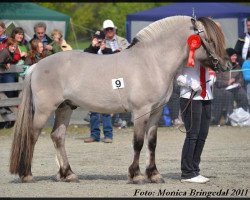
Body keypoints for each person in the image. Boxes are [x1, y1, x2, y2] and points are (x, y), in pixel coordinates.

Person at [176, 61, 214, 183]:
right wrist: (190, 83)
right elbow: (176, 76)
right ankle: (187, 173)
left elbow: (212, 70)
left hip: (206, 96)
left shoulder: (206, 56)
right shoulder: (185, 54)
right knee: (192, 135)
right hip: (190, 97)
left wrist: (213, 77)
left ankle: (194, 169)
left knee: (202, 135)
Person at [83, 30, 113, 143]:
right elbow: (85, 58)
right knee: (93, 111)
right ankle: (94, 135)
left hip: (105, 83)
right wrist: (94, 47)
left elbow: (112, 61)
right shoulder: (89, 50)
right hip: (93, 84)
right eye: (96, 38)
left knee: (106, 111)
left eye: (101, 39)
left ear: (104, 40)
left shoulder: (108, 50)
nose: (99, 41)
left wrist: (104, 50)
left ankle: (108, 135)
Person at [102, 19, 131, 127]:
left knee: (121, 93)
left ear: (114, 29)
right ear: (104, 31)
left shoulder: (122, 40)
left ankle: (120, 119)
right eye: (107, 29)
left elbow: (130, 51)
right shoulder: (102, 42)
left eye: (111, 29)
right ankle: (111, 119)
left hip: (121, 72)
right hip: (107, 72)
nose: (109, 31)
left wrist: (121, 51)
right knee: (112, 94)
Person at [211, 48, 248, 126]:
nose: (235, 57)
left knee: (243, 94)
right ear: (228, 57)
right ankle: (229, 116)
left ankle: (244, 116)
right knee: (228, 94)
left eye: (235, 56)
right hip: (221, 89)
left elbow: (241, 79)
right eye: (233, 56)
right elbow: (217, 81)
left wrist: (237, 83)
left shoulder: (238, 67)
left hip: (235, 88)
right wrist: (227, 83)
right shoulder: (220, 67)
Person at [0, 38, 18, 128]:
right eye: (12, 46)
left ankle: (4, 109)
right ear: (8, 46)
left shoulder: (11, 52)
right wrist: (5, 65)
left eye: (15, 46)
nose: (14, 48)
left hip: (3, 75)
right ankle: (3, 107)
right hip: (1, 75)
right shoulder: (5, 52)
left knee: (8, 93)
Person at [235, 17, 250, 109]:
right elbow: (236, 53)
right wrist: (243, 62)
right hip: (244, 68)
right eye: (248, 25)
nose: (249, 27)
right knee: (245, 90)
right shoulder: (242, 38)